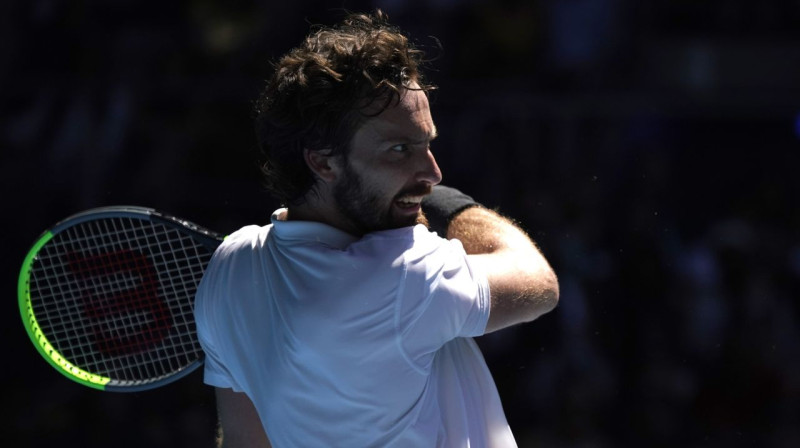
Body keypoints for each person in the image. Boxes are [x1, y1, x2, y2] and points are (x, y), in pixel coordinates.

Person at [194, 10, 559, 448]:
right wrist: (454, 206)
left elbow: (244, 441)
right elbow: (539, 283)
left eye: (427, 144)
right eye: (400, 149)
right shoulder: (402, 274)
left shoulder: (230, 267)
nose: (432, 173)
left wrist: (406, 186)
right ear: (324, 161)